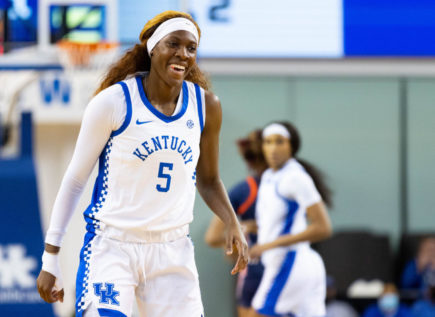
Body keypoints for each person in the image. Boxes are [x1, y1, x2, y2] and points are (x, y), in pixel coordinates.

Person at [36, 10, 248, 317]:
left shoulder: (206, 106)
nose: (183, 54)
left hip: (172, 248)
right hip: (112, 246)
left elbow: (209, 179)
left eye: (191, 48)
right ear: (152, 47)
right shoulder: (114, 102)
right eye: (173, 44)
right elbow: (75, 180)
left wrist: (232, 221)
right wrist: (50, 256)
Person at [248, 121, 333, 317]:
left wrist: (267, 245)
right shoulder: (270, 176)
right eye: (268, 142)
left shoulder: (295, 177)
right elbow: (279, 223)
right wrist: (252, 228)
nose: (273, 148)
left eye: (280, 142)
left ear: (292, 146)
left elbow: (323, 228)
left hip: (290, 262)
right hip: (293, 264)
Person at [205, 129, 267, 317]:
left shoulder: (247, 189)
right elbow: (213, 237)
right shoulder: (246, 190)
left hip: (266, 269)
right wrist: (243, 230)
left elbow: (212, 237)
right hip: (258, 270)